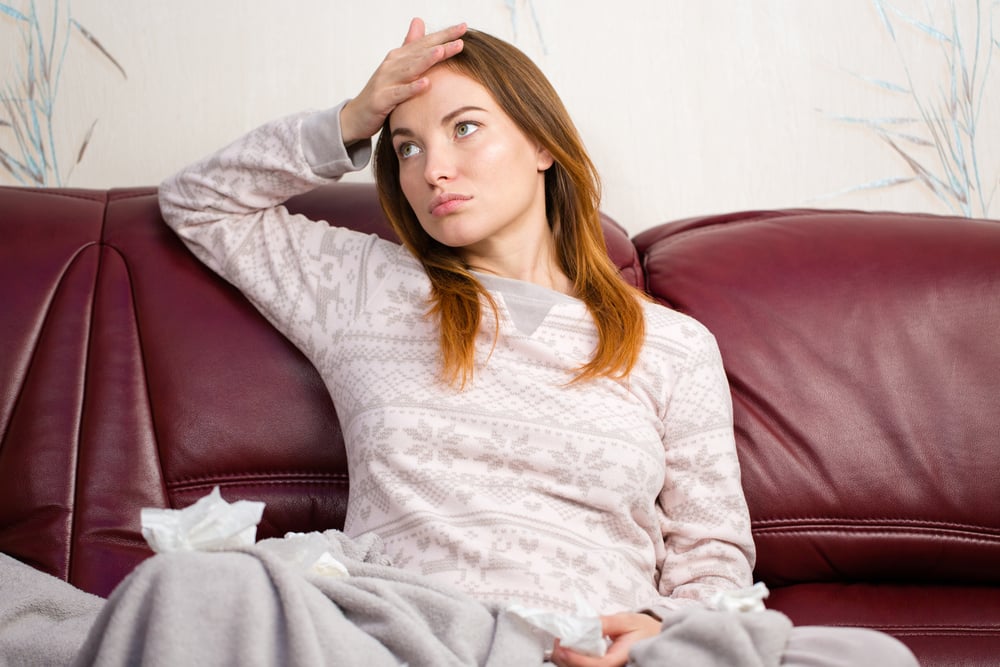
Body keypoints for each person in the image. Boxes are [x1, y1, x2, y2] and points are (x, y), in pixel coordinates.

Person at [153, 18, 917, 667]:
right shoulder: (361, 286)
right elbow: (198, 204)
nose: (434, 170)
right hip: (402, 628)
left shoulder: (671, 347)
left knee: (873, 657)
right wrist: (355, 118)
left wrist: (654, 631)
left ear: (543, 145)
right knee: (195, 591)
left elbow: (711, 559)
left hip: (591, 644)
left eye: (465, 128)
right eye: (408, 147)